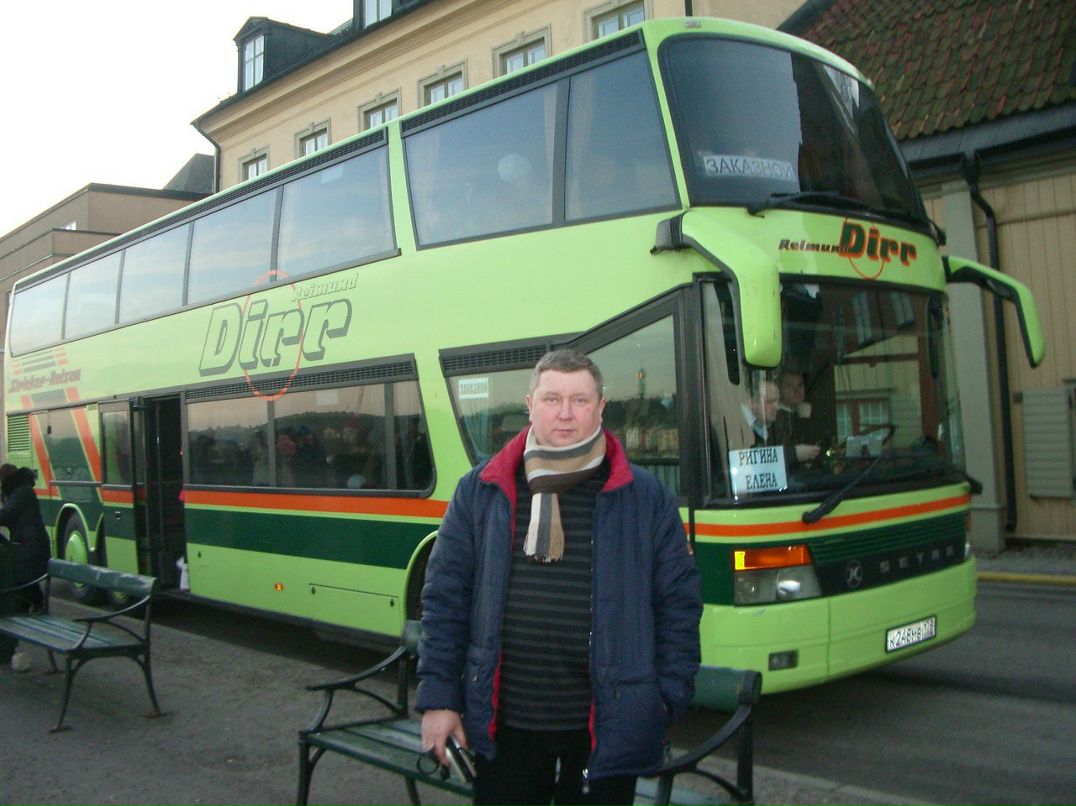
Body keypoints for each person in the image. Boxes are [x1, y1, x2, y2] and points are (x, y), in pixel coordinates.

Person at [417, 349, 702, 806]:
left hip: (602, 727)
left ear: (601, 407)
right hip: (503, 722)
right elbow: (445, 600)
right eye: (552, 399)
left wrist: (664, 699)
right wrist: (439, 700)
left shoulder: (645, 497)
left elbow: (679, 605)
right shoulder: (482, 489)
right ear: (530, 405)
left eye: (580, 400)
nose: (565, 413)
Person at [0, 464, 51, 672]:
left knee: (17, 590)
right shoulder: (22, 490)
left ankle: (11, 644)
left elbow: (5, 516)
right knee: (20, 590)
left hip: (30, 550)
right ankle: (35, 611)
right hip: (28, 548)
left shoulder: (21, 493)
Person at [776, 371, 824, 463]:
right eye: (789, 386)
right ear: (780, 389)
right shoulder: (776, 417)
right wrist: (804, 420)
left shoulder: (811, 410)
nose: (796, 390)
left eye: (800, 385)